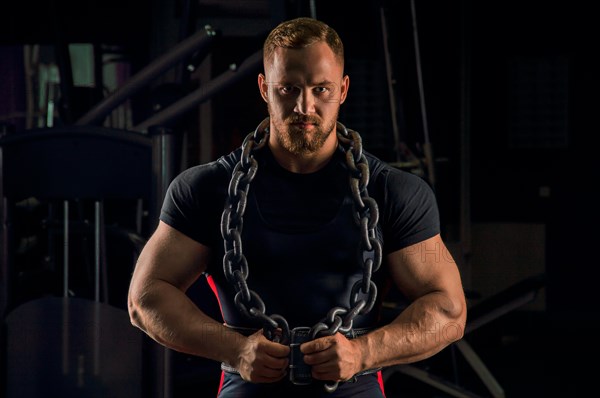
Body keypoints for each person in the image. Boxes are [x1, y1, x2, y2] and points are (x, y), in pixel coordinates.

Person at [128, 17, 467, 397]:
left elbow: (448, 309)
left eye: (320, 89)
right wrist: (234, 349)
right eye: (288, 88)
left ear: (342, 90)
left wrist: (363, 352)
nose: (304, 106)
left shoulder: (395, 193)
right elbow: (146, 298)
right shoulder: (204, 189)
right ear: (264, 88)